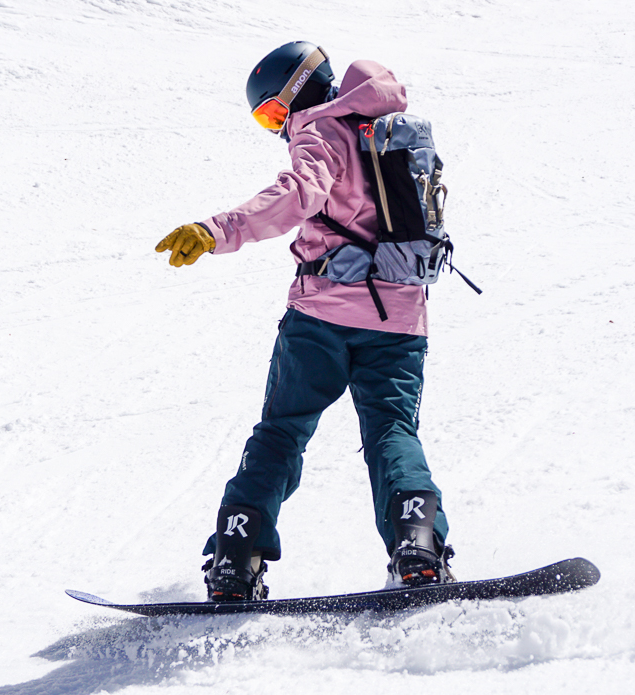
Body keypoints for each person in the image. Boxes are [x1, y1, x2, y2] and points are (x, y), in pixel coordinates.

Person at [155, 41, 454, 602]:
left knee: (282, 430)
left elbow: (299, 193)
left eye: (273, 112)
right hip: (400, 314)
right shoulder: (388, 130)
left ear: (297, 91)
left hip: (320, 313)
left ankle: (236, 558)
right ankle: (418, 546)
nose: (277, 127)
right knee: (391, 431)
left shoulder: (319, 130)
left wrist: (217, 230)